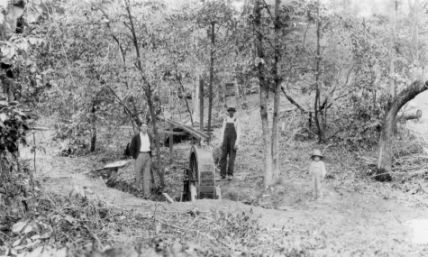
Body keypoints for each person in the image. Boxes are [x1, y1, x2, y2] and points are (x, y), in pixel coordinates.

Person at [129, 122, 154, 197]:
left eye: (146, 127)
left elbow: (152, 145)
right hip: (139, 155)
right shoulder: (136, 136)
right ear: (140, 128)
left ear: (147, 128)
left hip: (148, 155)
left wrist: (152, 151)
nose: (144, 128)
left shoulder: (149, 136)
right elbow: (131, 147)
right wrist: (134, 157)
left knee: (147, 176)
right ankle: (138, 193)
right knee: (138, 174)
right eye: (143, 127)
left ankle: (147, 194)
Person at [219, 107, 240, 180]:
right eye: (230, 111)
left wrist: (236, 143)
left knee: (231, 158)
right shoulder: (225, 120)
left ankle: (230, 174)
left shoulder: (236, 120)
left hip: (233, 141)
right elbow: (222, 131)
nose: (231, 113)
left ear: (234, 112)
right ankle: (222, 174)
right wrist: (221, 141)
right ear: (228, 112)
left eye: (232, 112)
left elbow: (239, 133)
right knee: (223, 156)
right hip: (225, 140)